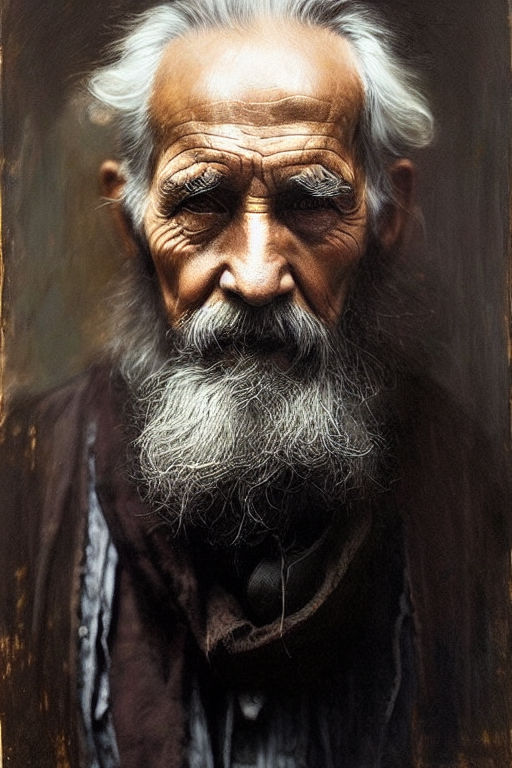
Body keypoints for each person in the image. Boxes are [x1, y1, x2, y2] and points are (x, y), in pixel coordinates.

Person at [0, 1, 510, 766]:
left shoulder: (481, 504)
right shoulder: (24, 483)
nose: (259, 274)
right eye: (202, 202)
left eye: (310, 203)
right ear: (130, 219)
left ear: (386, 215)